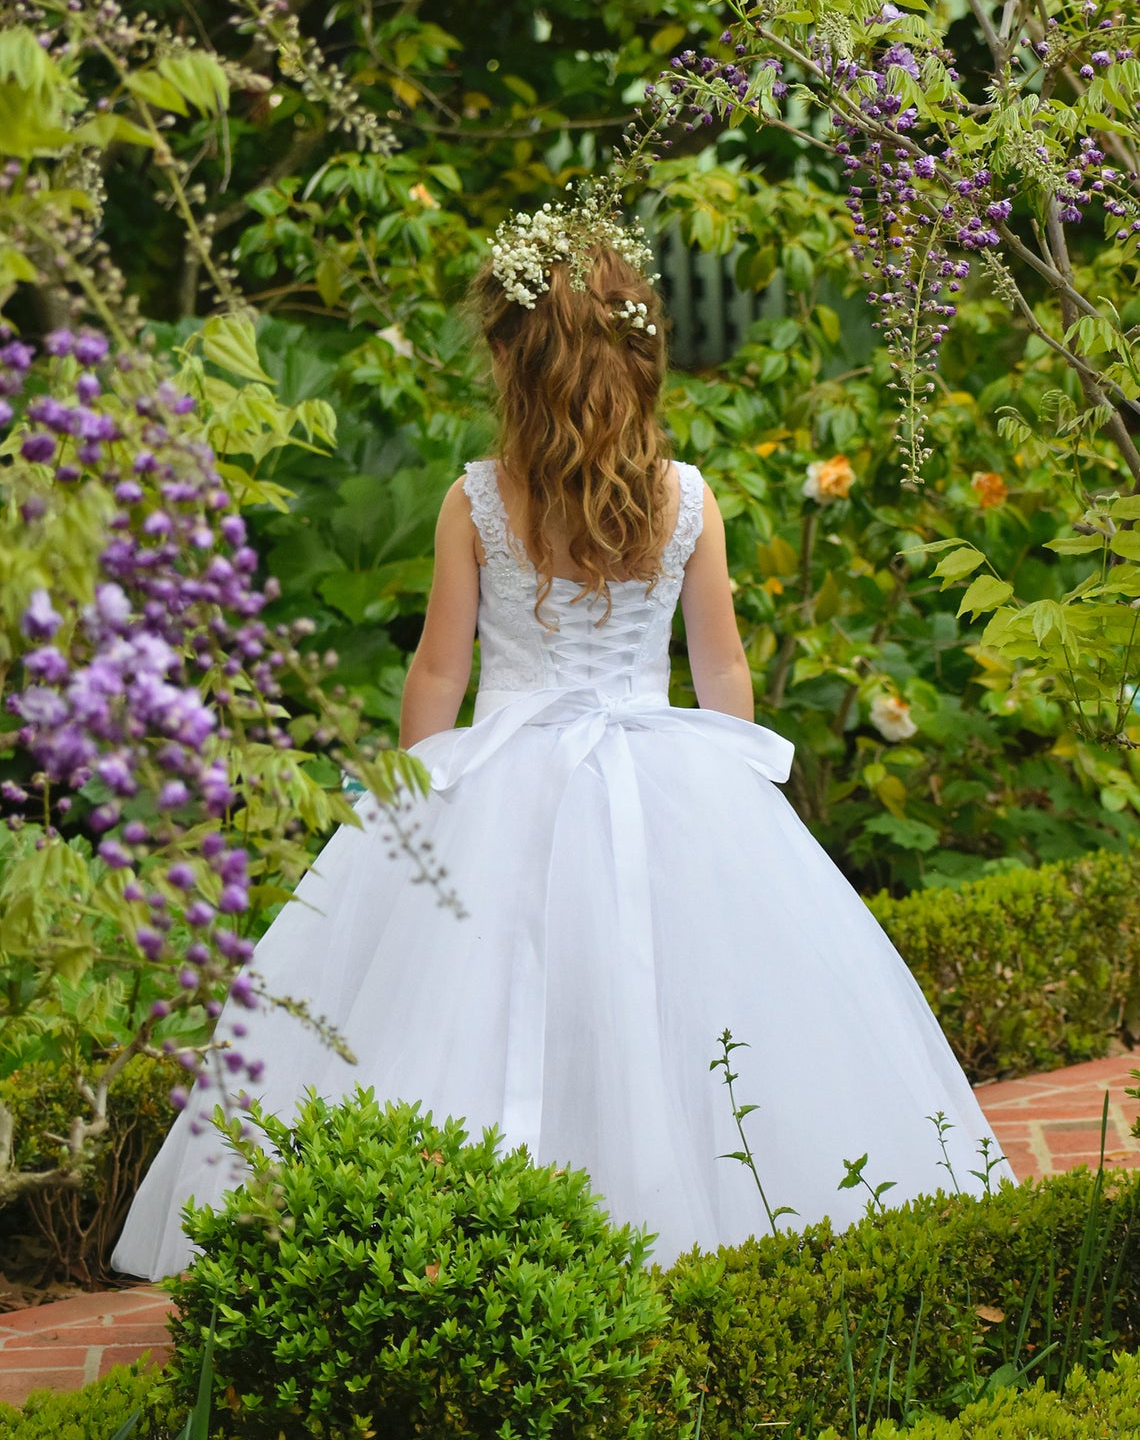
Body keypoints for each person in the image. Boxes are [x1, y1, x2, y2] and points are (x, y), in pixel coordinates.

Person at [113, 192, 1004, 1281]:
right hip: (662, 772)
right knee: (659, 1002)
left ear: (509, 359)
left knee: (479, 1001)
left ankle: (467, 1245)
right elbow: (719, 664)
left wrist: (409, 795)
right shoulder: (687, 499)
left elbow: (441, 668)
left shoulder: (479, 499)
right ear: (639, 359)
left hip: (507, 776)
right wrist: (735, 795)